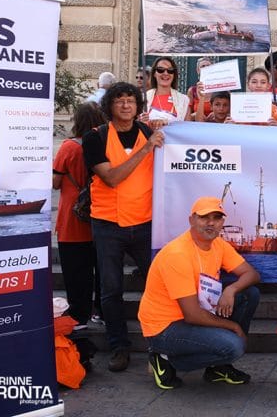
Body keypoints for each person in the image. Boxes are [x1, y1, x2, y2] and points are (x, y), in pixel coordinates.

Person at [83, 82, 165, 371]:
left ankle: (162, 342)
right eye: (120, 101)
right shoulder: (95, 138)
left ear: (138, 106)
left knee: (158, 283)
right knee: (111, 289)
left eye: (131, 100)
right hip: (108, 224)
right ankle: (119, 346)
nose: (126, 105)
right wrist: (145, 150)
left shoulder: (148, 132)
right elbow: (113, 177)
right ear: (110, 106)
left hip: (144, 223)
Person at [138, 197, 261, 389]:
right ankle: (164, 358)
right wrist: (233, 327)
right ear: (191, 220)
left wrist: (231, 289)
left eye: (217, 217)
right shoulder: (177, 254)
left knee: (249, 294)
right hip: (165, 328)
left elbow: (251, 274)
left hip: (197, 312)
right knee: (234, 346)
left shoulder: (218, 244)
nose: (211, 223)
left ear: (222, 222)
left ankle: (217, 368)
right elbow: (192, 314)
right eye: (204, 217)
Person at [53, 102, 106, 329]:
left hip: (72, 221)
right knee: (102, 272)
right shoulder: (104, 146)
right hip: (100, 218)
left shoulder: (69, 148)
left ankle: (79, 316)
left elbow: (55, 183)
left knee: (76, 273)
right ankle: (101, 312)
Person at [144, 57, 191, 122]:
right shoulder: (144, 98)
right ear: (154, 73)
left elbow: (187, 129)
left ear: (174, 74)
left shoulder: (183, 100)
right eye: (160, 70)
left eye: (170, 70)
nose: (166, 73)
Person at [187, 57, 215, 121]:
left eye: (208, 66)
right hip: (197, 127)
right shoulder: (192, 91)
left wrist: (219, 115)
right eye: (203, 66)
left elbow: (231, 113)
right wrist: (195, 115)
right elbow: (186, 117)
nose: (205, 68)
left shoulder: (222, 89)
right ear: (198, 70)